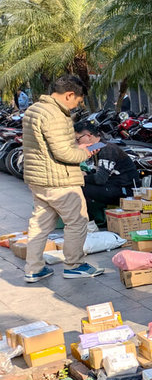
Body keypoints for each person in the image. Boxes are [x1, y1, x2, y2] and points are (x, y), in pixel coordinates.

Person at [22, 75, 104, 283]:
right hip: (59, 179)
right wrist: (83, 153)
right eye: (77, 100)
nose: (77, 105)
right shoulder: (55, 115)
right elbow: (63, 154)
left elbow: (45, 146)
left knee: (39, 224)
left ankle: (33, 268)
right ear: (69, 95)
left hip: (38, 178)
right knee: (77, 220)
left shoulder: (34, 109)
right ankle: (74, 265)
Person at [75, 123, 139, 206]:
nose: (77, 143)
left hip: (125, 190)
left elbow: (100, 179)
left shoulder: (107, 149)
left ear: (88, 136)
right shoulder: (99, 147)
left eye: (78, 139)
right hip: (112, 185)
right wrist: (86, 173)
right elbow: (100, 171)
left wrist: (80, 178)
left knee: (78, 189)